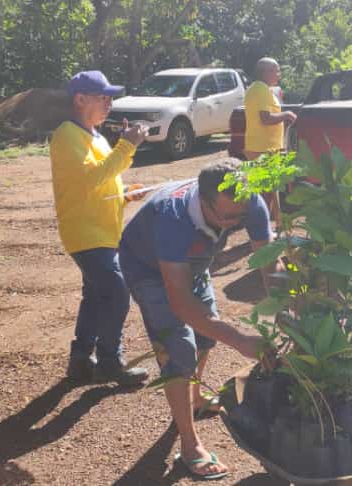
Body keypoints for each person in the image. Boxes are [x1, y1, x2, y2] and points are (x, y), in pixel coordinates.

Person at [118, 159, 275, 480]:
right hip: (148, 268)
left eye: (241, 216)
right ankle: (189, 446)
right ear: (203, 200)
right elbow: (181, 304)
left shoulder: (248, 201)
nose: (234, 224)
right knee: (178, 350)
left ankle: (196, 398)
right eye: (227, 217)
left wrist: (290, 304)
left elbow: (270, 264)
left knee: (208, 334)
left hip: (194, 263)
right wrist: (242, 341)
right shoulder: (172, 217)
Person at [50, 70, 150, 385]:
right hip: (86, 232)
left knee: (95, 296)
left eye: (110, 98)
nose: (109, 103)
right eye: (103, 97)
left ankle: (80, 362)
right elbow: (90, 178)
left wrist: (125, 194)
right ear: (80, 99)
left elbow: (99, 183)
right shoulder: (67, 134)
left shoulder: (94, 136)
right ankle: (109, 360)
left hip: (103, 231)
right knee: (117, 293)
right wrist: (127, 146)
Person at [244, 57, 296, 224]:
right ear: (266, 72)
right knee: (265, 191)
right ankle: (261, 230)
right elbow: (265, 118)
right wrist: (286, 115)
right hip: (262, 148)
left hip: (267, 147)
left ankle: (277, 225)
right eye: (277, 70)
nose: (279, 74)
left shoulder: (261, 89)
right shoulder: (260, 90)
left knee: (272, 189)